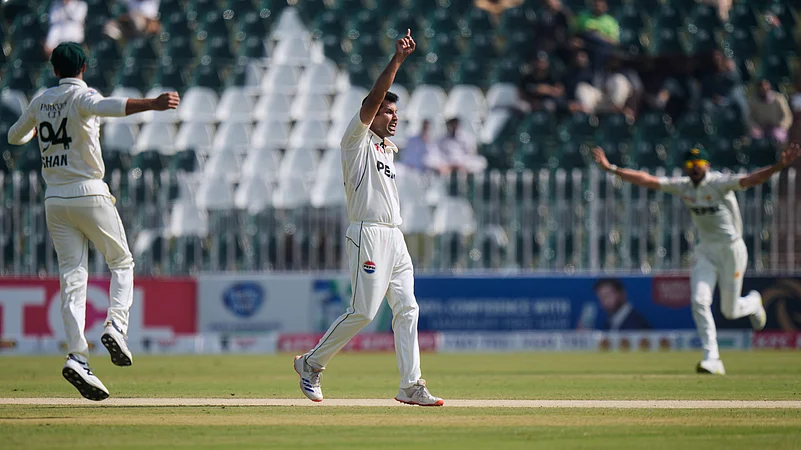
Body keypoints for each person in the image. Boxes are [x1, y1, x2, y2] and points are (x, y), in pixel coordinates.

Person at [7, 42, 180, 401]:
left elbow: (13, 137)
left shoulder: (41, 101)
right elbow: (108, 107)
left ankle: (77, 357)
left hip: (54, 199)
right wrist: (153, 103)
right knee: (121, 261)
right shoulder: (83, 96)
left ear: (54, 69)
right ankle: (116, 326)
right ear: (83, 68)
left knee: (73, 277)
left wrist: (36, 131)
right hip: (89, 192)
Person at [293, 30, 443, 407]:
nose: (393, 118)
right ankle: (311, 364)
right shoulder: (355, 142)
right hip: (368, 233)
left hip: (396, 237)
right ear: (371, 115)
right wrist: (397, 61)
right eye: (387, 112)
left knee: (408, 308)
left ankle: (410, 384)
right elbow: (373, 98)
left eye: (396, 113)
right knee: (363, 311)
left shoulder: (387, 149)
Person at [592, 141, 801, 374]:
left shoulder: (719, 183)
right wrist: (611, 169)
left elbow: (751, 180)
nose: (694, 167)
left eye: (699, 163)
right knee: (700, 301)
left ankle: (753, 302)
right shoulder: (683, 187)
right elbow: (646, 179)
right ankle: (712, 357)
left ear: (707, 165)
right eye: (690, 164)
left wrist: (779, 166)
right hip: (705, 251)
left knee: (730, 311)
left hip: (731, 250)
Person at [749, 79, 793, 145]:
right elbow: (749, 117)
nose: (763, 88)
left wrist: (782, 125)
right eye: (761, 86)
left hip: (776, 128)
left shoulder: (779, 98)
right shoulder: (754, 101)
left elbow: (787, 115)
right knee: (755, 139)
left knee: (777, 139)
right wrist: (754, 126)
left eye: (765, 85)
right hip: (761, 129)